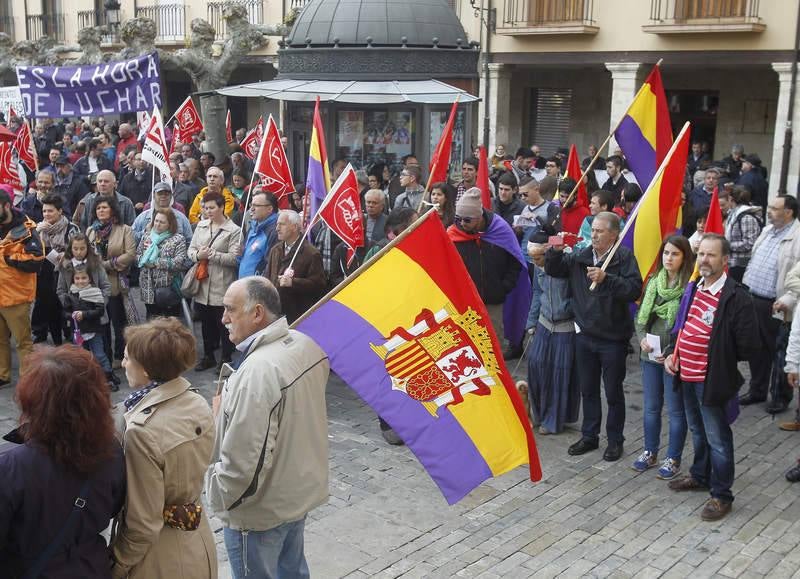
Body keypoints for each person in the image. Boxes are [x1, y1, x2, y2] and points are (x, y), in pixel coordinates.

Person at [206, 277, 329, 579]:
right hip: (295, 495)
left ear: (257, 313)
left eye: (230, 310)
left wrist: (221, 501)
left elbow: (242, 463)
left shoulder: (259, 371)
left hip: (259, 513)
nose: (223, 319)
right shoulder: (306, 343)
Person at [0, 345, 125, 577]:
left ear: (31, 402)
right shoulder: (112, 451)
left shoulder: (9, 466)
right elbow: (113, 506)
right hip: (91, 569)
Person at [111, 318, 217, 578]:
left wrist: (116, 564)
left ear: (146, 370)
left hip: (161, 558)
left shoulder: (141, 431)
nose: (123, 364)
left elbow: (143, 524)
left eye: (127, 358)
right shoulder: (195, 400)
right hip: (199, 541)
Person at [664, 234, 757, 521]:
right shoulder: (693, 288)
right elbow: (681, 328)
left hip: (712, 380)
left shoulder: (736, 296)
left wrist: (717, 354)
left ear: (725, 260)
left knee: (718, 437)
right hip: (687, 375)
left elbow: (747, 344)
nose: (704, 260)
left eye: (711, 255)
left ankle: (721, 495)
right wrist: (671, 353)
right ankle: (700, 475)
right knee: (698, 430)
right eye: (701, 254)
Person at [545, 211, 642, 461]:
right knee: (588, 389)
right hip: (585, 335)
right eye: (593, 230)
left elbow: (633, 290)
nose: (595, 235)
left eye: (600, 231)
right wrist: (555, 249)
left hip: (612, 338)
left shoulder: (623, 257)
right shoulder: (582, 255)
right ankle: (590, 435)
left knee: (612, 392)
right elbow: (555, 269)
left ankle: (615, 440)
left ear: (613, 234)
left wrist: (607, 279)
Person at [632, 236, 694, 479]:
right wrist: (642, 339)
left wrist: (671, 352)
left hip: (673, 358)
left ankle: (673, 457)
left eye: (675, 254)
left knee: (676, 410)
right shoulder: (653, 283)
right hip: (649, 355)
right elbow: (640, 318)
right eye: (666, 253)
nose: (669, 258)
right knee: (651, 407)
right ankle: (650, 451)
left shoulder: (689, 288)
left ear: (684, 258)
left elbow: (687, 326)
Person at [447, 188, 530, 360]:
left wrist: (504, 287)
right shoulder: (453, 234)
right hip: (465, 304)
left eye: (467, 220)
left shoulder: (500, 229)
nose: (462, 223)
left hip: (493, 301)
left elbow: (515, 261)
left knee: (493, 349)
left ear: (479, 217)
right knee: (466, 352)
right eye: (459, 218)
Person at [740, 195, 800, 413]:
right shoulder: (767, 231)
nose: (769, 211)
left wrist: (789, 300)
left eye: (775, 208)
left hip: (777, 305)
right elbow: (755, 259)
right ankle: (757, 389)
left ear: (789, 212)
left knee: (780, 351)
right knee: (756, 349)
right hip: (753, 297)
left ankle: (780, 396)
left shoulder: (798, 238)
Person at [525, 231, 578, 435]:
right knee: (536, 365)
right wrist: (531, 322)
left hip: (565, 325)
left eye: (538, 258)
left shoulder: (566, 265)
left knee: (558, 374)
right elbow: (537, 293)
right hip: (544, 322)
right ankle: (537, 413)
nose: (535, 262)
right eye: (532, 258)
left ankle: (553, 419)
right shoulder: (537, 269)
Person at [188, 192, 241, 371]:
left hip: (222, 282)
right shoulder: (201, 226)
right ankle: (208, 355)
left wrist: (213, 255)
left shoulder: (233, 230)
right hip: (203, 282)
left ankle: (225, 357)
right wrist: (197, 255)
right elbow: (191, 250)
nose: (207, 211)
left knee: (223, 322)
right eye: (205, 207)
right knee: (205, 321)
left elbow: (234, 258)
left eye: (211, 207)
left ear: (221, 207)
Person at [0, 188, 44, 387]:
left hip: (16, 297)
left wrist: (8, 258)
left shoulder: (26, 229)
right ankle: (3, 375)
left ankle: (28, 380)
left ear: (7, 206)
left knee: (23, 341)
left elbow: (36, 260)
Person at [87, 195, 136, 368]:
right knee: (101, 321)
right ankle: (104, 355)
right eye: (98, 208)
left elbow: (130, 254)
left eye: (104, 207)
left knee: (118, 321)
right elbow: (86, 253)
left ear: (113, 210)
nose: (101, 211)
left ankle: (119, 354)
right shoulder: (91, 231)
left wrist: (106, 265)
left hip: (116, 282)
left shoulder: (124, 229)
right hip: (96, 285)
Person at [60, 265, 119, 390]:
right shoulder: (70, 295)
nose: (80, 281)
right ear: (73, 280)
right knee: (82, 356)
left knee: (99, 355)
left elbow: (100, 311)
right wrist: (72, 316)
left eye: (83, 278)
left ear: (89, 279)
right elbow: (64, 312)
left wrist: (84, 314)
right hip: (79, 332)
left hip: (94, 330)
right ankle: (86, 379)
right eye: (77, 278)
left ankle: (107, 377)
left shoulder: (95, 293)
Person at [31, 194, 79, 345]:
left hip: (65, 272)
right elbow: (31, 249)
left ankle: (69, 333)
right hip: (43, 272)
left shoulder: (71, 229)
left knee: (64, 304)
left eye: (50, 211)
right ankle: (52, 337)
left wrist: (67, 254)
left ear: (60, 211)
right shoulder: (37, 229)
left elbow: (79, 250)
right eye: (44, 211)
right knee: (46, 304)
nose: (46, 214)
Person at [266, 210, 327, 324]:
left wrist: (293, 282)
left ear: (294, 227)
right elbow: (268, 276)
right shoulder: (275, 250)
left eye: (282, 224)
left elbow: (319, 285)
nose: (277, 228)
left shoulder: (311, 253)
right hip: (275, 313)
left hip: (297, 316)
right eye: (277, 224)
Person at [136, 208, 189, 319]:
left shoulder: (178, 239)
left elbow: (179, 263)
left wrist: (156, 263)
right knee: (152, 322)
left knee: (170, 323)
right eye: (156, 221)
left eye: (162, 222)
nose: (157, 224)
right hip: (148, 287)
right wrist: (143, 260)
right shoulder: (147, 236)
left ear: (170, 224)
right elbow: (137, 255)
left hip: (167, 289)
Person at [719, 185, 762, 282]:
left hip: (740, 264)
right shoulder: (734, 213)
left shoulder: (746, 217)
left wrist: (727, 245)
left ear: (731, 199)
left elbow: (749, 243)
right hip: (731, 262)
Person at [238, 190, 279, 278]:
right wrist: (241, 254)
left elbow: (271, 264)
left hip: (258, 286)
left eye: (256, 205)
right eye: (251, 205)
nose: (251, 209)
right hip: (245, 284)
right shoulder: (253, 227)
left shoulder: (275, 231)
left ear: (269, 209)